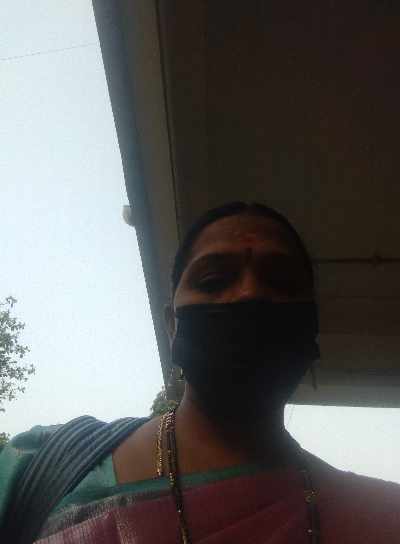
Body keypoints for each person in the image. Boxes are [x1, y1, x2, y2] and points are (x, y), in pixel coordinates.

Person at [0, 201, 399, 543]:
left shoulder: (379, 521)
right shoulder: (40, 468)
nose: (250, 293)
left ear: (311, 321)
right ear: (171, 324)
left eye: (281, 281)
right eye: (213, 280)